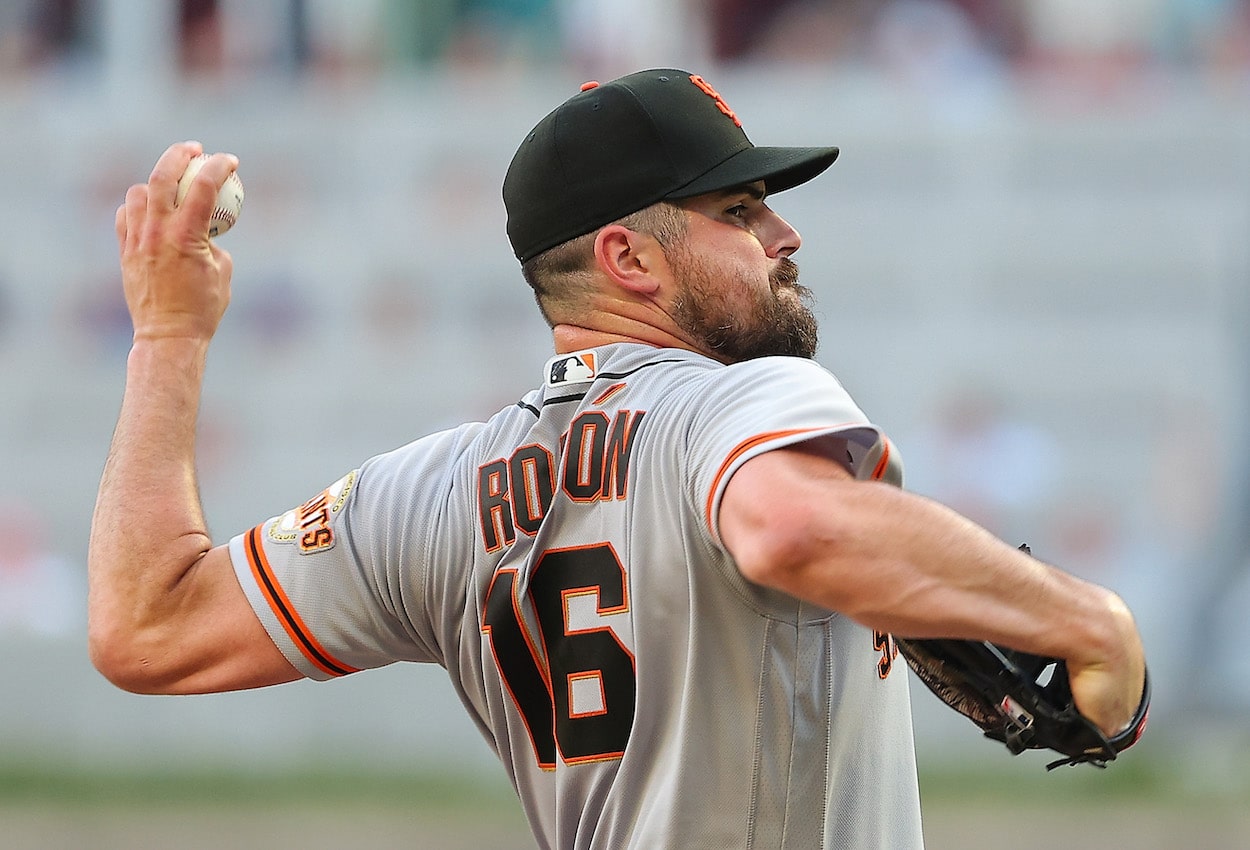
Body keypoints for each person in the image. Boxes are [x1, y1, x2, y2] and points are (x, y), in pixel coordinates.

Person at [90, 69, 1147, 849]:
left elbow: (148, 627)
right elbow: (789, 523)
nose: (782, 234)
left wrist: (169, 340)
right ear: (628, 257)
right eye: (737, 211)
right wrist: (1085, 620)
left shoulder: (429, 491)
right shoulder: (743, 398)